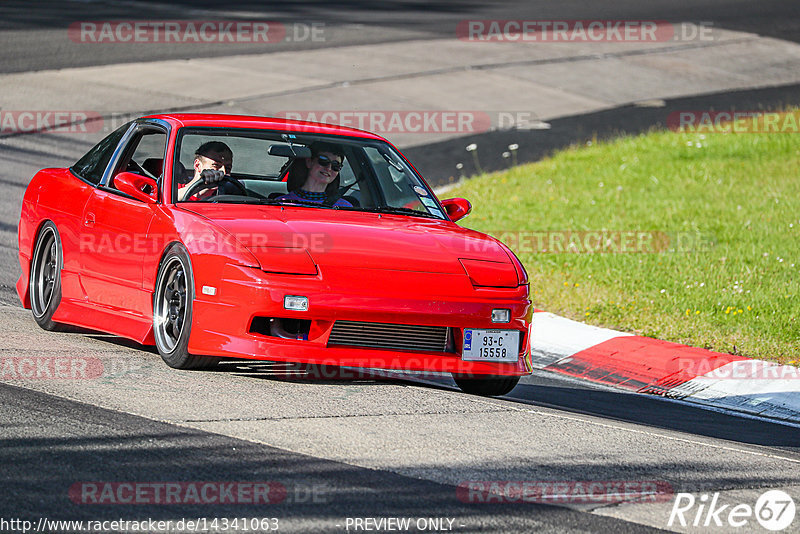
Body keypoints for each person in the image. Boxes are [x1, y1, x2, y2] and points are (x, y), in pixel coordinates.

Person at [278, 142, 352, 207]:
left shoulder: (345, 207)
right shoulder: (281, 203)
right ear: (309, 162)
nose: (329, 168)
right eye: (323, 161)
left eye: (336, 165)